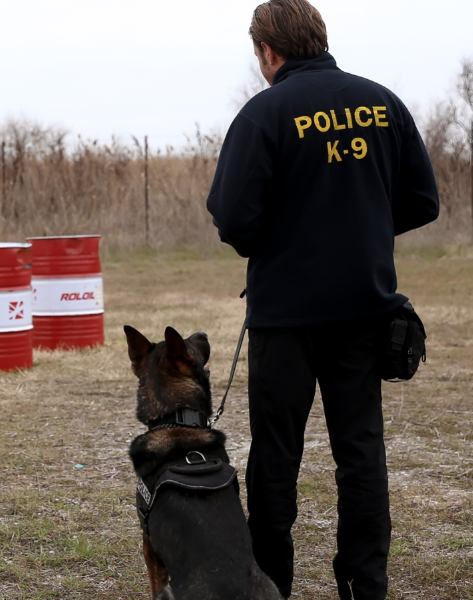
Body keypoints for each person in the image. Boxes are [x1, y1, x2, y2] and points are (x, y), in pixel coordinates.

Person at [206, 1, 439, 599]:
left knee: (276, 456)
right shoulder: (380, 102)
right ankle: (366, 586)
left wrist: (285, 237)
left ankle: (270, 584)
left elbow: (234, 219)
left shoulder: (264, 114)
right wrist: (358, 229)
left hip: (284, 316)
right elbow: (421, 200)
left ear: (268, 51)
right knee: (360, 452)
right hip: (365, 308)